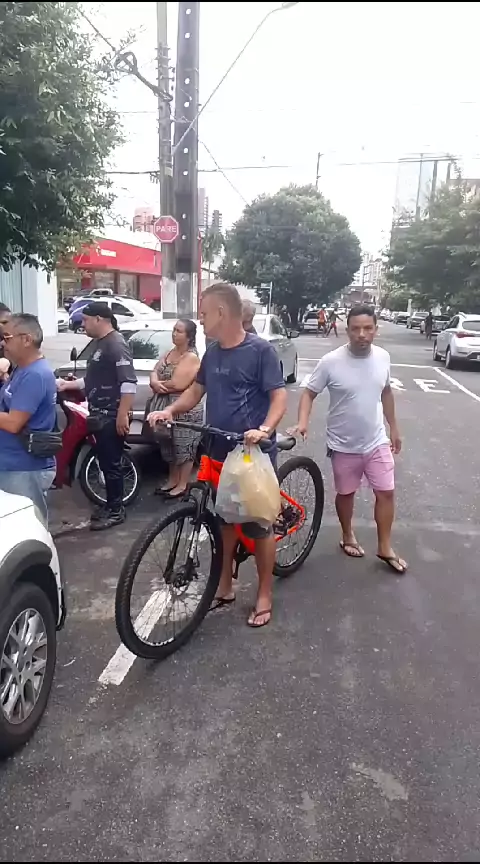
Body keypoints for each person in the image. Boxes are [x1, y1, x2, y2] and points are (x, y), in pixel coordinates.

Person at [148, 282, 287, 628]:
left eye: (204, 313)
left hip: (251, 455)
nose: (200, 319)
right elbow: (196, 390)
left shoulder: (260, 351)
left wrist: (264, 429)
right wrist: (171, 410)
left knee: (258, 527)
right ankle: (225, 586)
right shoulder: (212, 353)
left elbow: (279, 397)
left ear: (221, 313)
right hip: (218, 450)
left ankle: (265, 593)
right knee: (224, 520)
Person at [293, 304, 407, 574]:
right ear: (347, 330)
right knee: (346, 494)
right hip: (343, 443)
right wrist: (302, 422)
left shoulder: (383, 357)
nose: (362, 334)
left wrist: (394, 427)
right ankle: (347, 534)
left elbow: (386, 392)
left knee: (386, 492)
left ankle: (385, 546)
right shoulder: (331, 361)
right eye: (356, 329)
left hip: (376, 440)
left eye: (368, 328)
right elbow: (309, 392)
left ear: (376, 329)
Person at [58, 302, 137, 531]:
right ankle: (110, 505)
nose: (82, 324)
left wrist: (122, 414)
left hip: (111, 415)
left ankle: (116, 511)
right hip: (99, 413)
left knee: (112, 465)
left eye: (85, 320)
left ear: (99, 319)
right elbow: (94, 380)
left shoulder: (116, 344)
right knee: (105, 461)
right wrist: (67, 384)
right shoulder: (100, 343)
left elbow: (128, 383)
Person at [0, 313, 57, 525]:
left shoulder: (35, 375)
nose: (3, 344)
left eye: (7, 338)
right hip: (13, 464)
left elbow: (14, 423)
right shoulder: (21, 370)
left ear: (26, 339)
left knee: (28, 528)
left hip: (24, 468)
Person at [149, 319, 202, 498]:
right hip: (165, 407)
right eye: (174, 330)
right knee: (168, 445)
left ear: (189, 336)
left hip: (185, 410)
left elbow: (178, 384)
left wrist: (158, 384)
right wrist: (155, 382)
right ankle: (172, 480)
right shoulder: (169, 352)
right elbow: (154, 371)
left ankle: (182, 484)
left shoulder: (191, 357)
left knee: (183, 447)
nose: (174, 333)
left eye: (179, 331)